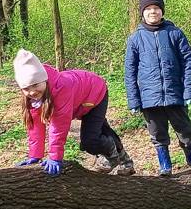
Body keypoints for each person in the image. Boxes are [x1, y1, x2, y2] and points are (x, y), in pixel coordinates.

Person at [125, 0, 191, 176]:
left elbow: (188, 62)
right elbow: (129, 72)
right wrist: (133, 100)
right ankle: (165, 165)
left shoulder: (175, 33)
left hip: (175, 94)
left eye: (156, 8)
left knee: (185, 131)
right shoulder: (135, 39)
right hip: (149, 98)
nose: (153, 12)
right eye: (148, 9)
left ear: (162, 11)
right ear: (142, 12)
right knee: (157, 134)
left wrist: (189, 91)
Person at [14, 49, 134, 177]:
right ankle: (126, 162)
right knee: (101, 130)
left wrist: (55, 157)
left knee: (90, 141)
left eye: (35, 85)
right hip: (79, 100)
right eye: (26, 88)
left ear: (44, 80)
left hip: (94, 93)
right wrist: (35, 155)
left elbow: (58, 126)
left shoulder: (61, 88)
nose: (32, 92)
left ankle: (112, 156)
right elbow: (36, 126)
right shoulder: (32, 99)